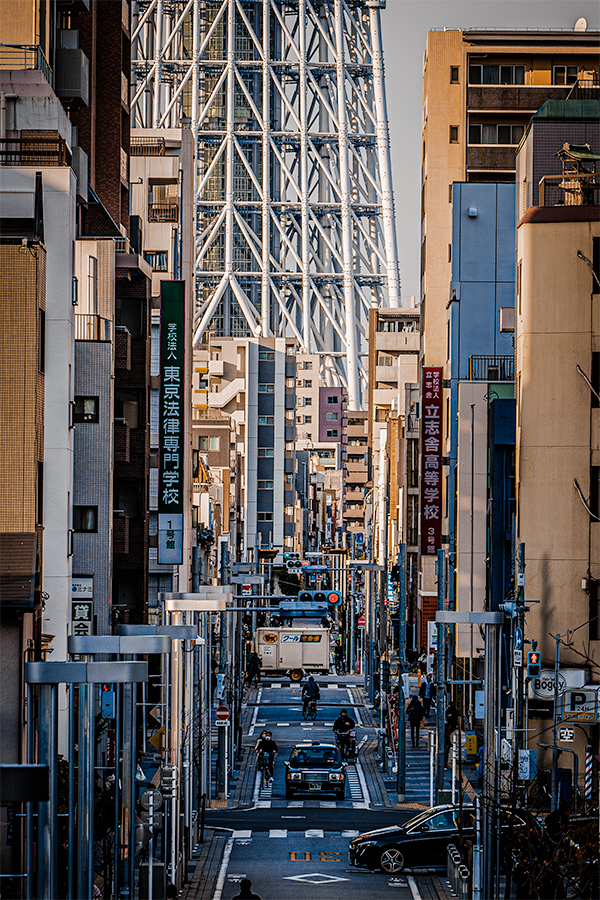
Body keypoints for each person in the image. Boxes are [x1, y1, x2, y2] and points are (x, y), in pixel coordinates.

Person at [443, 702, 460, 768]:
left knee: (446, 750)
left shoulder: (447, 711)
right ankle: (455, 762)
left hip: (448, 733)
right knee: (455, 748)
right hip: (454, 732)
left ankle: (445, 764)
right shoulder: (456, 712)